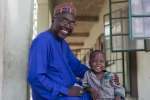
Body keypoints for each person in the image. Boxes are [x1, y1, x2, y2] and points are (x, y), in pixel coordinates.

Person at [27, 2, 92, 100]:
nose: (68, 26)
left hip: (70, 92)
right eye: (64, 20)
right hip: (55, 96)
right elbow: (36, 78)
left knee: (103, 93)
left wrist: (101, 75)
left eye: (72, 23)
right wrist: (66, 91)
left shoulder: (63, 44)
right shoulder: (42, 41)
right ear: (54, 20)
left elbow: (77, 67)